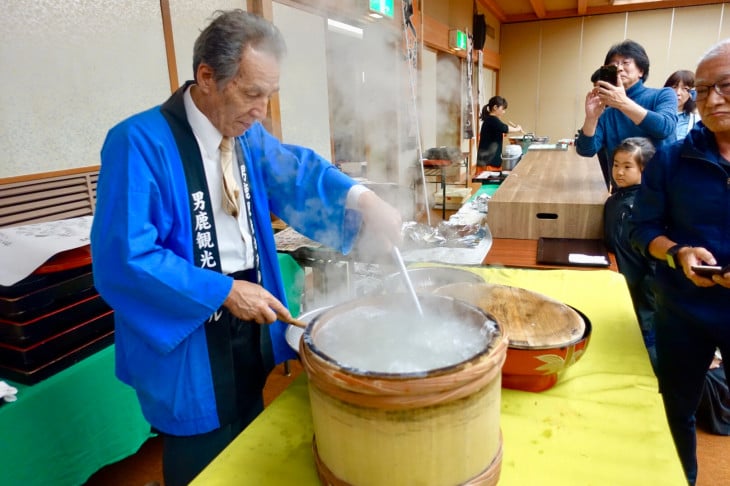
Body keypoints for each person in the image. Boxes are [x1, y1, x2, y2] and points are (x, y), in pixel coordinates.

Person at [89, 10, 403, 486]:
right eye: (252, 93)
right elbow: (125, 257)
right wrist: (222, 292)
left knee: (251, 432)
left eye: (269, 96)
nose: (261, 110)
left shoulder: (246, 135)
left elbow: (299, 172)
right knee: (202, 449)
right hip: (190, 320)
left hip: (250, 309)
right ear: (207, 77)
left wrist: (365, 200)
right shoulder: (138, 143)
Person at [629, 39, 730, 485]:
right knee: (676, 407)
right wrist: (677, 252)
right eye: (704, 88)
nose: (713, 99)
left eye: (725, 86)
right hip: (683, 307)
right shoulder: (672, 158)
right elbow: (641, 230)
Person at [576, 39, 677, 190]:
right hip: (623, 193)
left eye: (625, 62)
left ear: (641, 70)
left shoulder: (663, 95)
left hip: (662, 190)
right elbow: (586, 150)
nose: (619, 68)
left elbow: (664, 128)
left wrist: (622, 103)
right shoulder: (607, 112)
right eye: (614, 64)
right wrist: (591, 118)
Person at [603, 137, 657, 370]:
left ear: (644, 169)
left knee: (644, 350)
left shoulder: (645, 206)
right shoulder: (617, 198)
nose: (619, 172)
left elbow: (653, 264)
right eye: (616, 165)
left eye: (627, 166)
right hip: (620, 282)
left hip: (641, 292)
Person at [476, 96, 523, 172]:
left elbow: (500, 130)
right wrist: (517, 129)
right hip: (489, 161)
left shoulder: (491, 120)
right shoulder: (492, 119)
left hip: (489, 160)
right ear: (495, 107)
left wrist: (505, 133)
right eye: (503, 109)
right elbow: (504, 128)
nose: (504, 111)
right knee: (489, 182)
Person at [664, 70, 700, 141]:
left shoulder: (696, 119)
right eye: (674, 87)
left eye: (685, 89)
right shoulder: (656, 113)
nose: (678, 93)